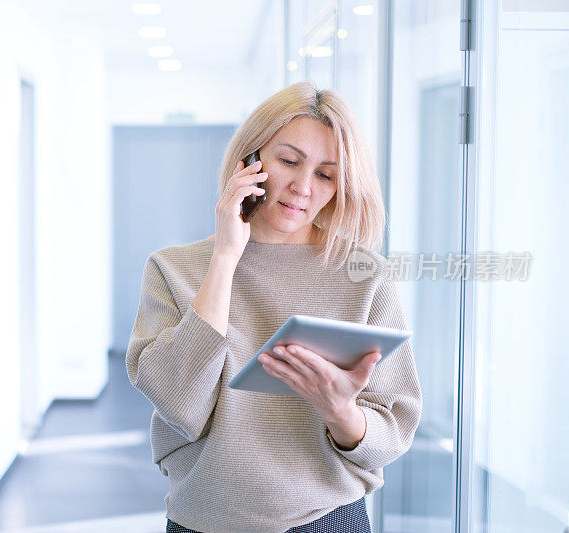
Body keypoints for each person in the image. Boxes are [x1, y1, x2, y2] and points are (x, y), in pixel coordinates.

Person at [125, 81, 423, 533]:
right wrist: (225, 256)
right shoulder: (173, 269)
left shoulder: (366, 275)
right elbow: (180, 404)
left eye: (326, 175)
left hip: (327, 520)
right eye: (289, 161)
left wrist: (341, 411)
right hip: (201, 521)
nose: (303, 187)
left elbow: (393, 431)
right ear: (251, 158)